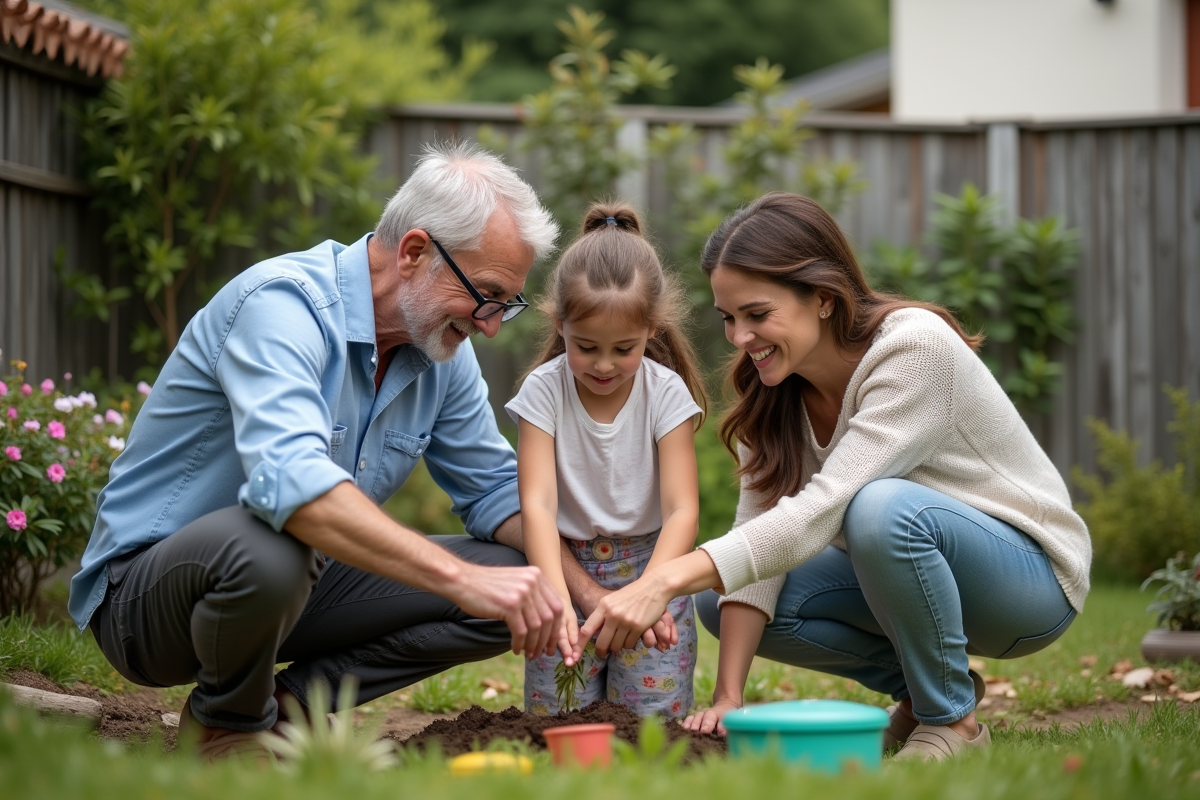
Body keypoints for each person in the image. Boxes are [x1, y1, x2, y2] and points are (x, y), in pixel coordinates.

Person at [68, 142, 570, 762]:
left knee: (517, 583)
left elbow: (498, 493)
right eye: (487, 294)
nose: (492, 325)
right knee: (280, 533)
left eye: (506, 304)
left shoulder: (442, 352)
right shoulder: (283, 306)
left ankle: (286, 712)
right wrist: (458, 579)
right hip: (149, 602)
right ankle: (227, 727)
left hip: (290, 586)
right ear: (415, 252)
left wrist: (587, 591)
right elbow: (293, 489)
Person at [575, 192, 1091, 760]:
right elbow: (761, 526)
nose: (739, 338)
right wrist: (728, 696)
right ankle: (927, 695)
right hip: (911, 568)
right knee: (720, 597)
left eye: (757, 314)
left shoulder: (913, 350)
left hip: (1028, 582)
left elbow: (821, 510)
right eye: (728, 318)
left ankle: (955, 724)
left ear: (822, 298)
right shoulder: (774, 390)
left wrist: (660, 580)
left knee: (879, 507)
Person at [505, 203, 708, 718]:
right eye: (586, 346)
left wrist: (650, 594)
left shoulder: (665, 394)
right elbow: (537, 503)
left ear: (653, 331)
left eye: (624, 348)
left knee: (652, 721)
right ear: (559, 324)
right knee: (555, 716)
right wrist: (553, 599)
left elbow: (683, 510)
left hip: (651, 567)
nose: (603, 364)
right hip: (564, 567)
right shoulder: (543, 392)